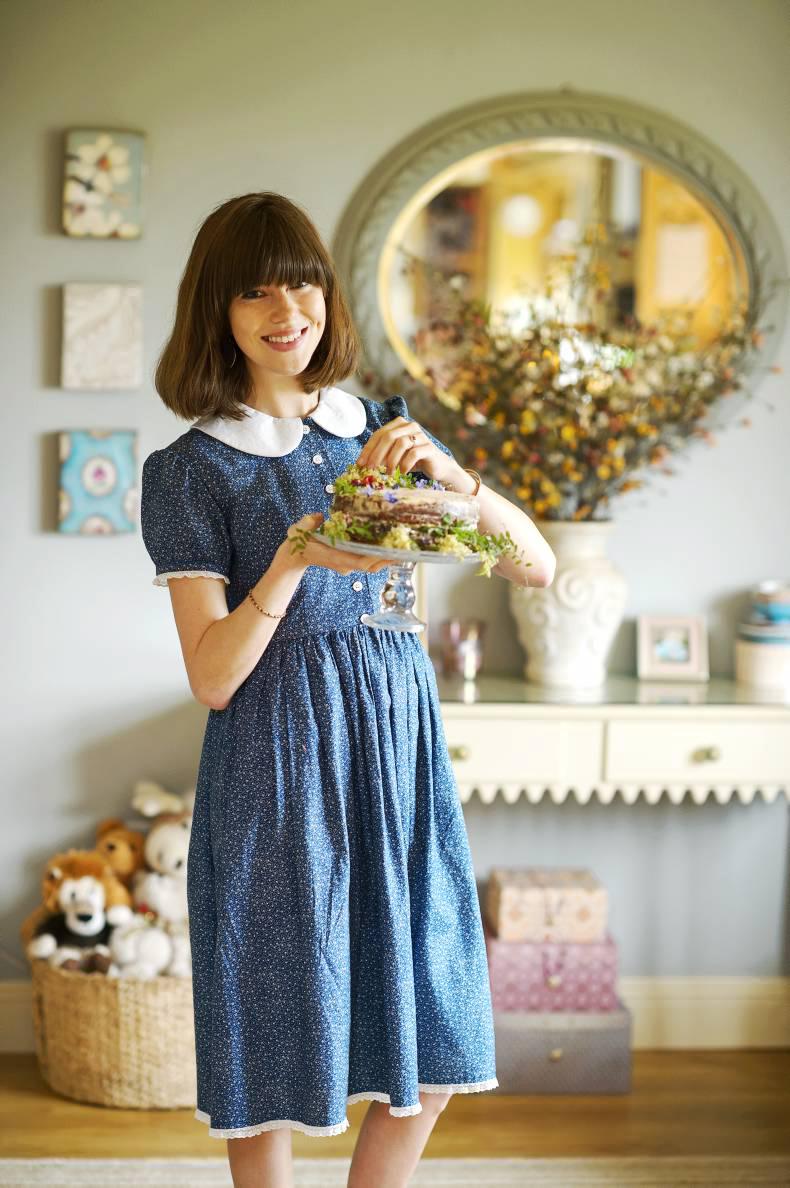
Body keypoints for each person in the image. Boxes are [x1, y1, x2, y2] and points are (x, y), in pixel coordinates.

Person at [140, 191, 556, 1188]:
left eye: (302, 284)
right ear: (217, 311)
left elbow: (535, 567)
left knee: (435, 1028)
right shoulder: (192, 470)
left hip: (397, 750)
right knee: (273, 1035)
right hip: (277, 761)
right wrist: (293, 558)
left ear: (327, 293)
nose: (285, 310)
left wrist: (453, 478)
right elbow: (212, 676)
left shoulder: (382, 430)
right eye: (254, 291)